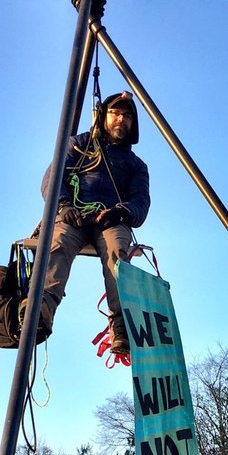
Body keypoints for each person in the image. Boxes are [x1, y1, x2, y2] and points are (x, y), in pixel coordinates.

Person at [36, 91, 150, 356]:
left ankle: (121, 325)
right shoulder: (78, 145)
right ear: (103, 116)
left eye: (127, 115)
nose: (121, 118)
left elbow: (141, 202)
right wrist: (63, 205)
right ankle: (40, 310)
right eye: (115, 113)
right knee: (58, 243)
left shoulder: (136, 165)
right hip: (73, 215)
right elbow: (51, 180)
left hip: (109, 220)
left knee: (117, 252)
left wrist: (120, 212)